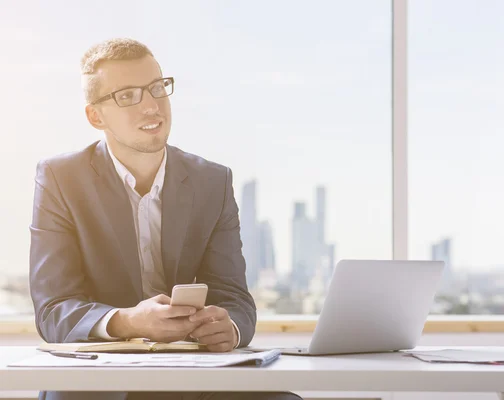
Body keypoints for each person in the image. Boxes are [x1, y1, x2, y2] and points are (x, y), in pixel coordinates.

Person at [29, 37, 301, 400]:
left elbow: (234, 295)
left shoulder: (212, 181)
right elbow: (53, 310)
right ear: (96, 116)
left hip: (193, 375)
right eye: (127, 96)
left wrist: (230, 327)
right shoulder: (60, 178)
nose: (152, 106)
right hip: (97, 380)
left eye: (157, 88)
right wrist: (129, 321)